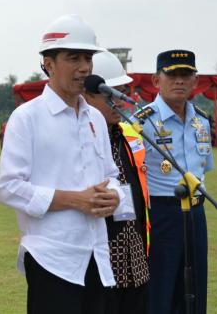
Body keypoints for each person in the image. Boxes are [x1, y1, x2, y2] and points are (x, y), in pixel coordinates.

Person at [0, 14, 122, 314]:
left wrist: (114, 195)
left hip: (96, 254)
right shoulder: (27, 118)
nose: (84, 67)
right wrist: (75, 200)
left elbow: (111, 174)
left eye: (88, 58)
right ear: (48, 64)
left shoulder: (95, 117)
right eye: (73, 58)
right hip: (51, 258)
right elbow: (9, 187)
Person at [132, 50, 213, 314]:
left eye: (186, 74)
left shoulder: (201, 121)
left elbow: (205, 168)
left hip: (196, 211)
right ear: (156, 81)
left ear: (194, 81)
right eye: (172, 74)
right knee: (162, 287)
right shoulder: (141, 123)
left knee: (196, 288)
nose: (179, 81)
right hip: (162, 215)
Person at [83, 51, 150, 314]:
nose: (119, 102)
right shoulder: (82, 138)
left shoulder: (126, 135)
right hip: (102, 258)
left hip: (135, 253)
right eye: (111, 94)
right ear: (88, 95)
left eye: (122, 92)